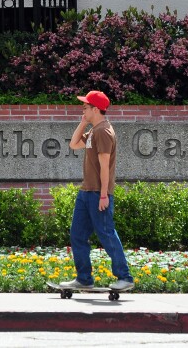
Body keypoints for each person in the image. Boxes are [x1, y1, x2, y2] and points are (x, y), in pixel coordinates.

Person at [60, 90, 135, 292]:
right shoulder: (95, 130)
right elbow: (74, 144)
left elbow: (105, 167)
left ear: (95, 109)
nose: (82, 109)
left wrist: (104, 194)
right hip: (86, 192)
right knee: (77, 234)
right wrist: (84, 123)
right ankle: (84, 278)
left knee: (107, 235)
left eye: (85, 107)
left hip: (97, 193)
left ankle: (125, 277)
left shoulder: (103, 132)